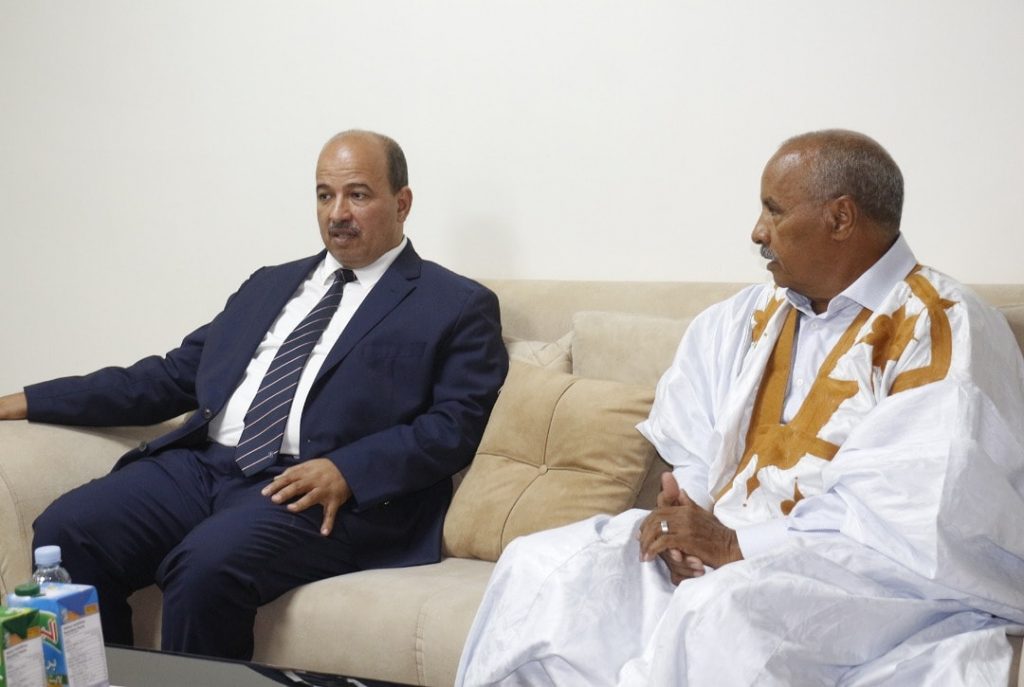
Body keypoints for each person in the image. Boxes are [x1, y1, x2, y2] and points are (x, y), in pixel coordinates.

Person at [456, 130, 1024, 686]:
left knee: (721, 615)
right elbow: (694, 450)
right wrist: (686, 521)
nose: (757, 232)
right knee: (544, 567)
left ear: (840, 218)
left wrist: (734, 546)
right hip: (728, 555)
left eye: (774, 211)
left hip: (870, 579)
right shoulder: (743, 318)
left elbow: (913, 515)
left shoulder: (944, 326)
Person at [0, 130, 509, 660]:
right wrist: (27, 401)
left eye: (357, 195)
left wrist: (348, 470)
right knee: (68, 530)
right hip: (204, 468)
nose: (338, 213)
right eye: (325, 195)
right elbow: (170, 377)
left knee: (204, 568)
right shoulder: (269, 285)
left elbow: (455, 425)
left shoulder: (453, 304)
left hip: (313, 487)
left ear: (401, 203)